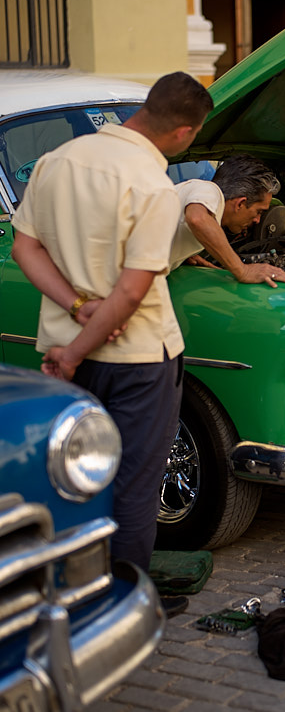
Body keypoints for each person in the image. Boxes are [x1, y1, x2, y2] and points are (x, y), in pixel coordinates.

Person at [11, 72, 213, 590]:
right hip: (136, 360)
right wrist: (79, 348)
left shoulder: (56, 162)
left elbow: (25, 250)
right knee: (131, 488)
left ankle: (65, 590)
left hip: (61, 351)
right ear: (184, 133)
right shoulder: (151, 185)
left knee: (66, 477)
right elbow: (129, 294)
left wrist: (75, 309)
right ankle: (118, 604)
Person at [170, 153, 285, 286]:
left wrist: (183, 254)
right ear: (240, 203)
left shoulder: (204, 200)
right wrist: (243, 270)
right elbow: (197, 218)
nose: (257, 220)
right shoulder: (209, 190)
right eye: (258, 212)